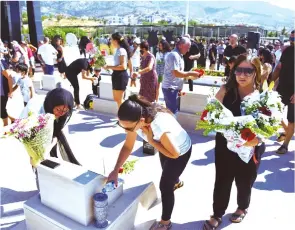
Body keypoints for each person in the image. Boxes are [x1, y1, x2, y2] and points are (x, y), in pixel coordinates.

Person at [107, 94, 192, 230]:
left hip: (181, 150)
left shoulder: (158, 126)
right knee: (167, 171)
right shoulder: (136, 118)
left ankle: (166, 223)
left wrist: (151, 140)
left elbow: (174, 154)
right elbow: (128, 146)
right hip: (164, 145)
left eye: (128, 128)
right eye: (121, 126)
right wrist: (116, 169)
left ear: (141, 121)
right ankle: (175, 181)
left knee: (165, 185)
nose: (126, 130)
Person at [203, 55, 266, 230]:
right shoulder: (225, 90)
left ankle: (242, 207)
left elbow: (268, 126)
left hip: (249, 147)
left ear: (256, 72)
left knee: (245, 180)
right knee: (222, 179)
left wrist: (255, 140)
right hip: (225, 145)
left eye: (248, 70)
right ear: (234, 71)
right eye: (239, 70)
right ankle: (217, 213)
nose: (242, 75)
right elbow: (211, 113)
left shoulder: (262, 97)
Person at [20, 88, 81, 165]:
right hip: (27, 129)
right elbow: (26, 132)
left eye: (65, 111)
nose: (61, 113)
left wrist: (51, 143)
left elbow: (55, 131)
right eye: (58, 109)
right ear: (52, 104)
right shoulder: (35, 109)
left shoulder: (65, 113)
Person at [162, 37, 201, 115]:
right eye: (187, 47)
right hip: (170, 89)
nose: (188, 50)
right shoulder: (174, 55)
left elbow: (179, 74)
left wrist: (191, 76)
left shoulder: (179, 55)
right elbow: (176, 73)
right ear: (180, 45)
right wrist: (190, 73)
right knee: (173, 113)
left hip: (174, 89)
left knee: (174, 112)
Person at [271, 30, 295, 154]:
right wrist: (271, 82)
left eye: (294, 39)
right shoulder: (287, 51)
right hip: (282, 89)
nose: (292, 41)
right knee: (274, 113)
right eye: (291, 38)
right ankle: (287, 132)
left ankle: (285, 145)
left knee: (292, 119)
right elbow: (279, 68)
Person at [103, 32, 131, 109]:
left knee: (119, 99)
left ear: (115, 40)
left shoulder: (121, 50)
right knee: (117, 99)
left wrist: (109, 66)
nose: (110, 41)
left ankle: (123, 118)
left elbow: (123, 66)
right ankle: (122, 117)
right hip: (116, 75)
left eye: (111, 39)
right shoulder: (118, 50)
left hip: (120, 76)